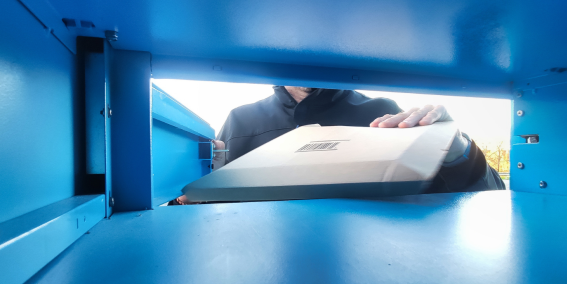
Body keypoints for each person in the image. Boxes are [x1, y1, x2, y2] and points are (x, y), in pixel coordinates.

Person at [173, 86, 504, 204]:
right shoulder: (239, 121)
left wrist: (456, 149)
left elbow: (489, 194)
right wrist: (190, 200)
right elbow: (204, 205)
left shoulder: (383, 112)